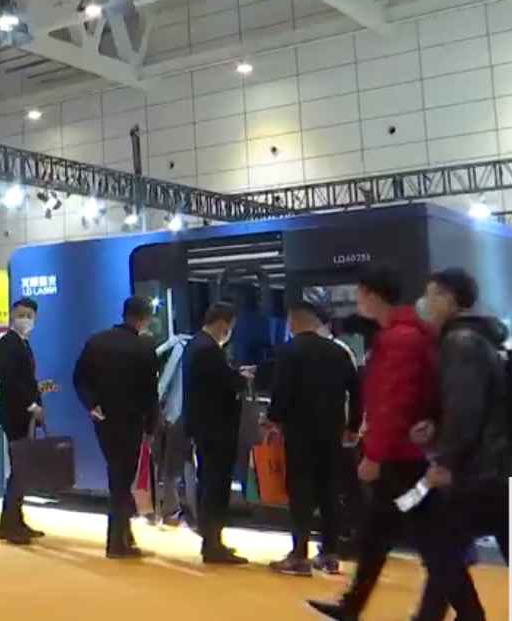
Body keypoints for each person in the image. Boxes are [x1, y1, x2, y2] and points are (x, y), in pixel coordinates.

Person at [309, 264, 439, 620]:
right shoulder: (403, 334)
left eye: (359, 292)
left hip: (400, 462)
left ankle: (463, 609)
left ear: (370, 294)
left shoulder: (399, 338)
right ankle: (352, 604)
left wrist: (375, 455)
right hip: (404, 458)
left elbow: (393, 403)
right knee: (380, 533)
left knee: (428, 540)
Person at [407, 268, 509, 621]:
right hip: (495, 468)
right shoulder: (483, 339)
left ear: (448, 298)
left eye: (431, 294)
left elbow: (466, 408)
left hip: (477, 471)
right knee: (444, 546)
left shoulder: (459, 343)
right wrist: (435, 427)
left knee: (438, 545)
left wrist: (445, 461)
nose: (425, 302)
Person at [266, 301, 362, 576]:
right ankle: (330, 554)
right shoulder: (338, 352)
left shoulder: (289, 351)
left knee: (300, 491)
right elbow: (357, 391)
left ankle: (299, 554)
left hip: (300, 432)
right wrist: (353, 425)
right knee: (329, 490)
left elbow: (282, 391)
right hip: (332, 431)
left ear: (294, 321)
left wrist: (273, 419)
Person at [74, 296, 160, 559]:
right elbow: (150, 392)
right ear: (144, 318)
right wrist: (152, 425)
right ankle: (116, 542)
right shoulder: (144, 347)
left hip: (104, 420)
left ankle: (123, 536)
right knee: (122, 481)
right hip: (132, 421)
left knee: (117, 476)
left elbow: (79, 378)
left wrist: (92, 405)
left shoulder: (96, 341)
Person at [182, 301, 250, 565]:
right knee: (216, 485)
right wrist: (241, 379)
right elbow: (224, 383)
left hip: (204, 428)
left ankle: (211, 540)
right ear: (223, 323)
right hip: (216, 429)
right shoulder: (209, 350)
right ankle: (213, 543)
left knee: (208, 482)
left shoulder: (195, 345)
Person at [0, 297, 45, 544]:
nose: (25, 320)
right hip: (16, 414)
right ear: (12, 316)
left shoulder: (23, 343)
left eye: (30, 316)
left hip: (23, 414)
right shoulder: (9, 343)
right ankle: (8, 524)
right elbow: (11, 379)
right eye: (21, 315)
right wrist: (31, 404)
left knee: (22, 469)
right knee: (19, 469)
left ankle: (15, 520)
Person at [152, 332, 196, 528]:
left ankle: (168, 510)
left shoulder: (176, 347)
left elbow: (164, 381)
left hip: (172, 414)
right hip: (181, 415)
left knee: (169, 465)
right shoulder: (186, 348)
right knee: (183, 464)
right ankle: (185, 511)